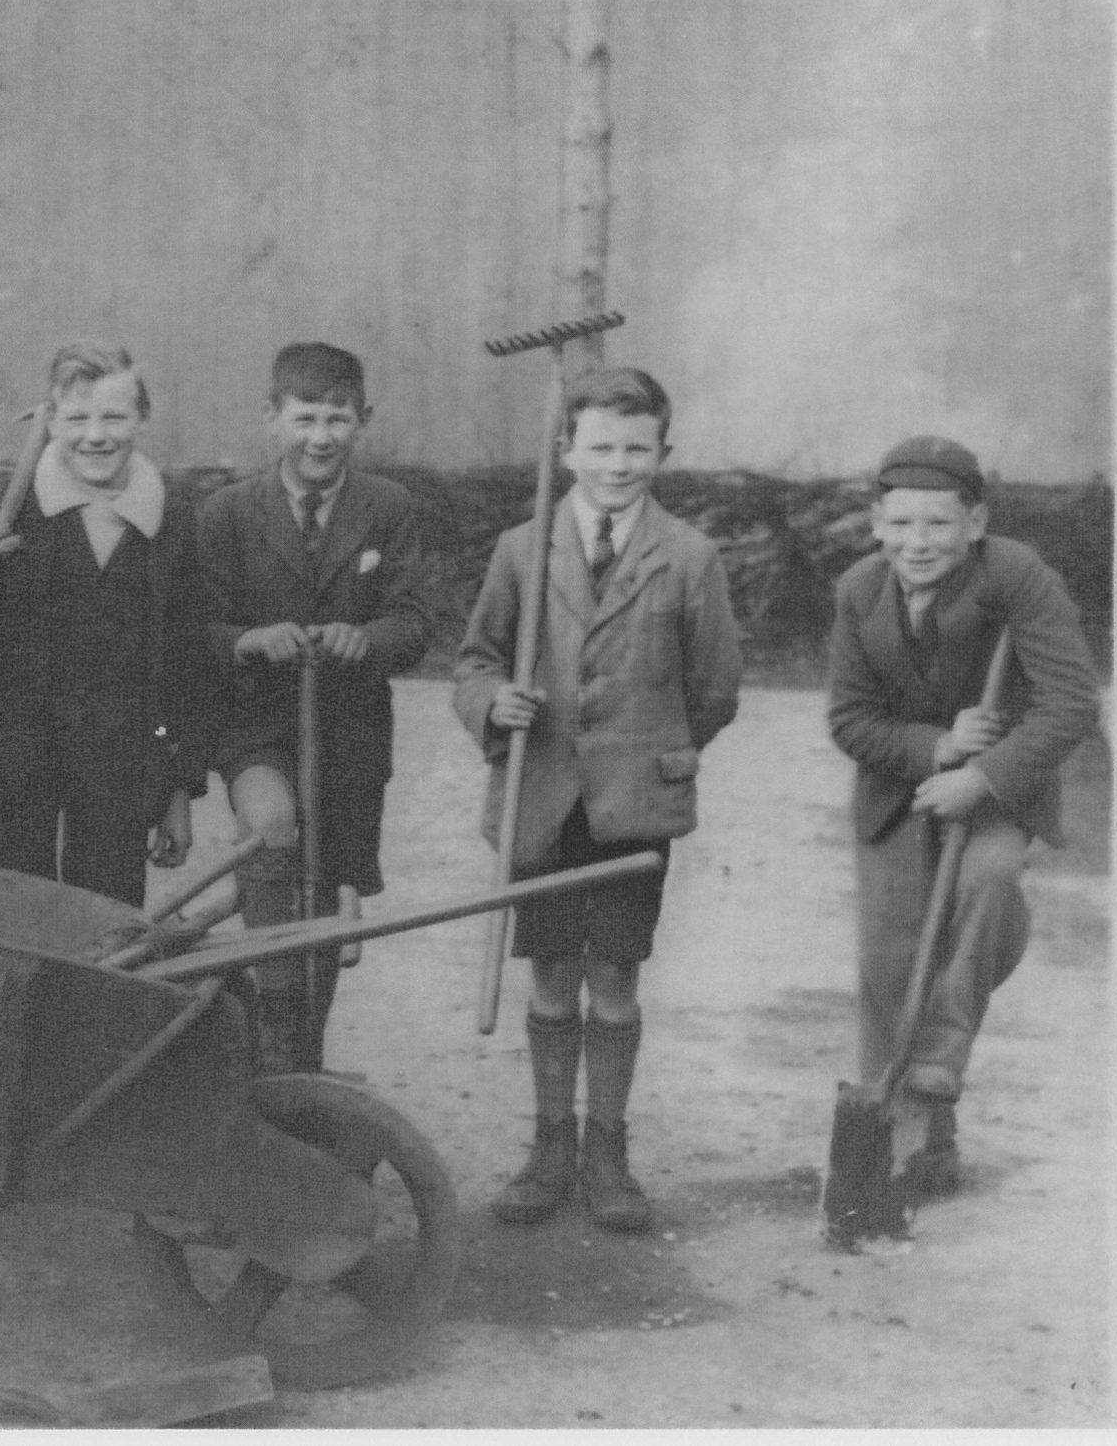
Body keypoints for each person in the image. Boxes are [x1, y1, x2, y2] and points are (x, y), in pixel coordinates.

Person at [452, 366, 742, 1233]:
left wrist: (655, 751)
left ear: (664, 451)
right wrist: (492, 705)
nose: (618, 464)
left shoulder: (688, 555)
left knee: (614, 974)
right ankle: (548, 1150)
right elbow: (476, 660)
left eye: (637, 448)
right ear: (566, 450)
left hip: (633, 808)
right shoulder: (523, 548)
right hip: (541, 795)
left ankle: (608, 1154)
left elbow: (716, 685)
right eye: (601, 447)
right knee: (551, 976)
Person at [825, 435, 1099, 1198]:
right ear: (877, 522)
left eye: (939, 525)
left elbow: (1071, 702)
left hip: (1000, 786)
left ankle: (943, 1050)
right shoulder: (858, 590)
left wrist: (980, 776)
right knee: (890, 964)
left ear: (974, 521)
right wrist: (938, 746)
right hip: (899, 790)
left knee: (990, 879)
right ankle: (916, 1146)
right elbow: (849, 721)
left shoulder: (1017, 576)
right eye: (902, 524)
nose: (919, 543)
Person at [195, 341, 440, 1073]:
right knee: (272, 830)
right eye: (305, 418)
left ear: (362, 421)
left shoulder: (388, 509)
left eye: (338, 419)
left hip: (348, 730)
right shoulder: (228, 513)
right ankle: (271, 1034)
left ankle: (305, 1059)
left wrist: (362, 638)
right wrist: (248, 640)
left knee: (327, 889)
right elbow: (195, 629)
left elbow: (419, 619)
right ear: (271, 418)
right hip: (259, 725)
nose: (321, 437)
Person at [0, 341, 217, 908]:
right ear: (49, 421)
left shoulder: (174, 519)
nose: (96, 435)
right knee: (12, 916)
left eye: (114, 417)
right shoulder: (2, 507)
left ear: (142, 420)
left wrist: (176, 788)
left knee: (105, 925)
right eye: (76, 418)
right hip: (15, 758)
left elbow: (184, 669)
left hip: (123, 763)